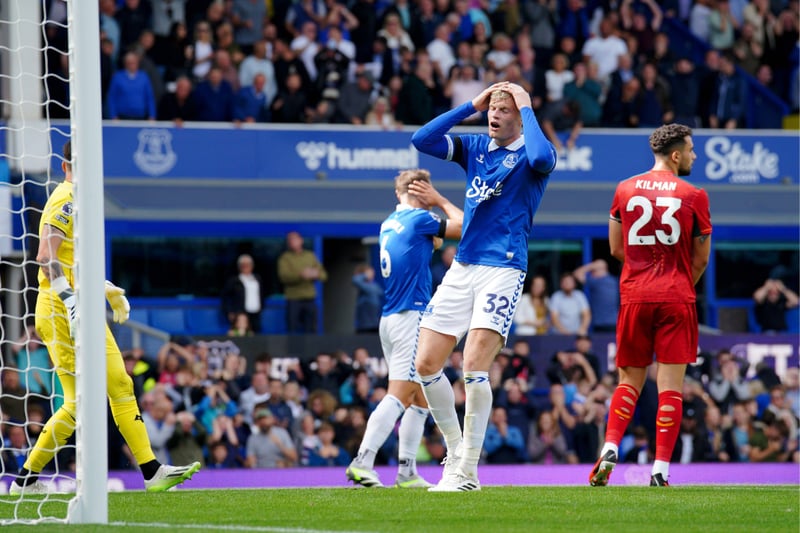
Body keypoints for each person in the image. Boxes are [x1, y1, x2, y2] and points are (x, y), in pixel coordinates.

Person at [10, 141, 200, 495]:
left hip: (80, 305)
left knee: (121, 385)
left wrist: (104, 288)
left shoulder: (83, 200)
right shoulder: (66, 198)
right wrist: (70, 299)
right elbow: (45, 256)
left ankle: (151, 471)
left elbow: (71, 262)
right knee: (79, 402)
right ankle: (25, 479)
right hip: (59, 309)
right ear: (70, 165)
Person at [410, 81, 557, 492]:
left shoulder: (533, 153)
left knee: (474, 363)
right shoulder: (476, 146)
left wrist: (526, 107)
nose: (495, 114)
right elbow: (422, 139)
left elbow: (542, 158)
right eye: (492, 108)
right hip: (463, 266)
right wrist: (469, 106)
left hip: (503, 268)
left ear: (520, 116)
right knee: (425, 364)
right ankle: (455, 452)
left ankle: (469, 472)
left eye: (504, 109)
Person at [588, 123, 712, 488]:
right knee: (670, 387)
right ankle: (660, 470)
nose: (694, 156)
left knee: (629, 380)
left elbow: (616, 249)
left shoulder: (624, 188)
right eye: (690, 150)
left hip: (635, 296)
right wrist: (677, 284)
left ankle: (610, 446)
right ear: (675, 155)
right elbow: (701, 259)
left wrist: (644, 277)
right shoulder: (694, 195)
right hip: (676, 296)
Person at [345, 168, 462, 489]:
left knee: (420, 397)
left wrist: (433, 236)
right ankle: (362, 461)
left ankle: (407, 471)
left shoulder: (389, 223)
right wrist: (439, 200)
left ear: (398, 193)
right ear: (423, 191)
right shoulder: (419, 219)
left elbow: (428, 244)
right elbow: (466, 226)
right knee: (400, 393)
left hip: (391, 317)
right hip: (411, 316)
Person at [277, 231, 328, 334]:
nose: (291, 242)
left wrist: (315, 274)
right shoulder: (285, 258)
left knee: (311, 329)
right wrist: (301, 275)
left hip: (309, 299)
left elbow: (324, 275)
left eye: (294, 239)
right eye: (289, 240)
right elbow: (283, 277)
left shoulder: (310, 256)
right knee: (292, 329)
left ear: (301, 240)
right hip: (293, 299)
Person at [221, 254, 265, 334]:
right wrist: (229, 311)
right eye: (243, 265)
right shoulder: (234, 281)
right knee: (241, 333)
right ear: (239, 267)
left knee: (255, 335)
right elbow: (226, 297)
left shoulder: (257, 279)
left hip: (255, 313)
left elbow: (262, 294)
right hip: (241, 313)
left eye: (248, 265)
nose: (246, 267)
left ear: (252, 266)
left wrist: (261, 306)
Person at [573, 259, 619, 333]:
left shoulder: (596, 282)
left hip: (601, 323)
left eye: (593, 271)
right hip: (614, 322)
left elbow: (577, 273)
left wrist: (591, 266)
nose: (591, 274)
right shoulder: (615, 281)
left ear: (601, 270)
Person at [351, 264, 384, 334]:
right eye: (370, 272)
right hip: (363, 327)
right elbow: (355, 280)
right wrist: (365, 275)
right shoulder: (363, 285)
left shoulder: (374, 286)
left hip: (375, 325)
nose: (372, 274)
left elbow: (381, 292)